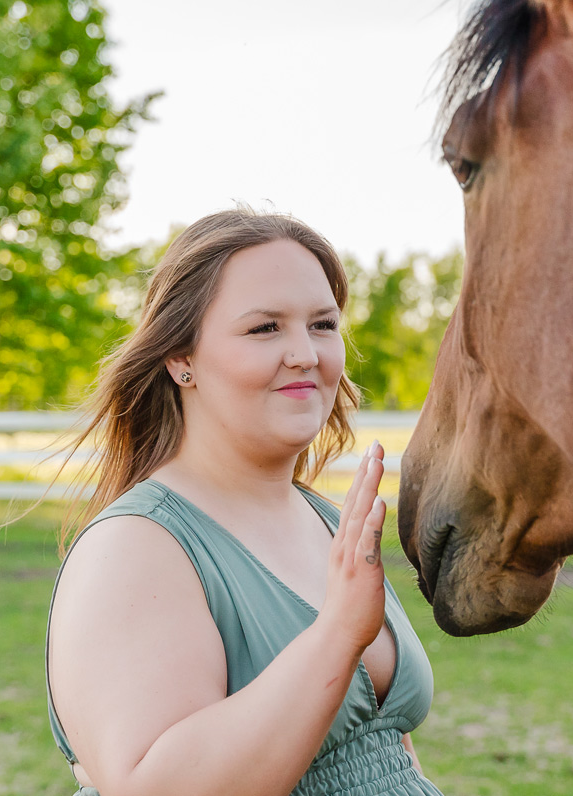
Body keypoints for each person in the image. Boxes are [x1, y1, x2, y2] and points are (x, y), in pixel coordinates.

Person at [43, 207, 444, 796]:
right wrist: (336, 635)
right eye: (265, 328)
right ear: (181, 359)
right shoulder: (135, 547)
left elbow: (379, 748)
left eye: (323, 325)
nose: (305, 352)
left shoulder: (328, 521)